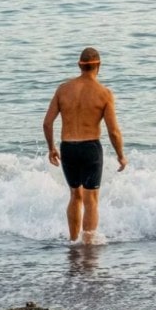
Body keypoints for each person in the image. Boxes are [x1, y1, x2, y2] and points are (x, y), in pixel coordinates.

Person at [42, 47, 127, 245]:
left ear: (79, 65)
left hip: (68, 147)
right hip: (91, 149)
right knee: (91, 199)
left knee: (75, 195)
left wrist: (51, 148)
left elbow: (47, 123)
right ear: (98, 66)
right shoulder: (104, 93)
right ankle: (88, 244)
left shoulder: (63, 89)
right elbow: (113, 131)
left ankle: (73, 241)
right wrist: (121, 155)